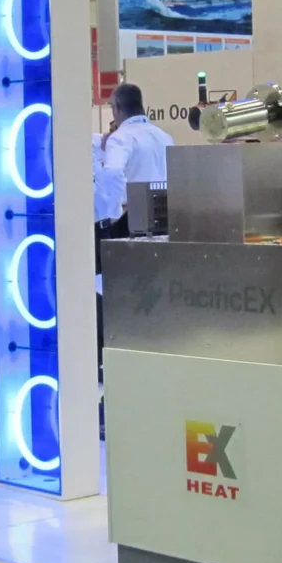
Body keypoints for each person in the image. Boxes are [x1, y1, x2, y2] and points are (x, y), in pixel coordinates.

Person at [93, 85, 172, 362]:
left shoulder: (121, 139)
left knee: (118, 294)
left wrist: (115, 209)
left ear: (116, 108)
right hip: (165, 226)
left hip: (131, 228)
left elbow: (112, 172)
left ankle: (115, 357)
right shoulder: (164, 136)